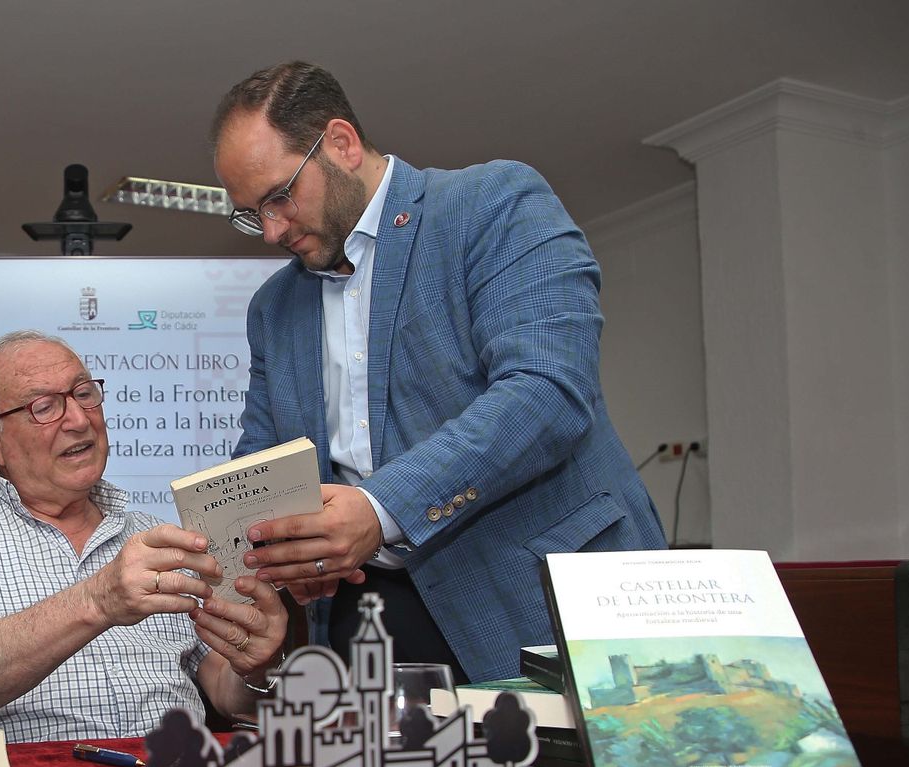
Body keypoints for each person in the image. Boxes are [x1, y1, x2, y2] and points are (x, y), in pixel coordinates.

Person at [210, 61, 665, 683]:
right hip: (361, 620)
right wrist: (267, 553)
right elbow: (263, 460)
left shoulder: (492, 204)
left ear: (340, 144)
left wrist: (378, 509)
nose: (269, 230)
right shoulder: (275, 307)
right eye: (249, 213)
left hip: (535, 596)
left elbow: (546, 393)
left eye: (278, 197)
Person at [0, 330, 286, 743]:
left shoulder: (153, 535)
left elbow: (224, 692)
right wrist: (97, 600)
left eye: (84, 394)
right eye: (44, 407)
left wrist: (251, 665)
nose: (78, 420)